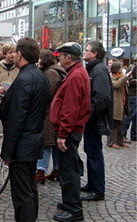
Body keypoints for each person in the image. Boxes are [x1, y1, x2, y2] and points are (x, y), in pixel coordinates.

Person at [0, 37, 50, 221]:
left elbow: (16, 119)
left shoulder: (24, 79)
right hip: (33, 140)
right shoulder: (40, 77)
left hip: (23, 143)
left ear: (19, 55)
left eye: (15, 53)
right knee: (29, 189)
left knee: (22, 194)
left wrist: (7, 152)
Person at [50, 42, 91, 221]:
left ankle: (74, 209)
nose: (58, 58)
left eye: (60, 55)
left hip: (69, 130)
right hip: (70, 129)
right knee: (68, 168)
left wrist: (63, 134)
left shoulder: (75, 76)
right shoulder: (76, 72)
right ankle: (69, 202)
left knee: (68, 171)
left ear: (68, 58)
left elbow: (71, 109)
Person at [81, 41, 113, 201]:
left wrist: (89, 114)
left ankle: (98, 189)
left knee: (94, 153)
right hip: (92, 118)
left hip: (94, 119)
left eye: (87, 50)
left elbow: (101, 98)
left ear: (94, 54)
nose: (84, 53)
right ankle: (92, 184)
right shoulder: (94, 68)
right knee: (91, 151)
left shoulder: (98, 70)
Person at [35, 49, 66, 184]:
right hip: (52, 111)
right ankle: (57, 169)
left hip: (50, 112)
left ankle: (41, 170)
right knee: (52, 143)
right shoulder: (53, 71)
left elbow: (48, 93)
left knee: (47, 143)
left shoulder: (52, 73)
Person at [0, 42, 19, 169]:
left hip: (15, 104)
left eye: (14, 52)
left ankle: (11, 155)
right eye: (11, 52)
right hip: (0, 102)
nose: (13, 55)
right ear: (5, 54)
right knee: (0, 132)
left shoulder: (18, 68)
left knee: (13, 130)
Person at [107, 61, 131, 148]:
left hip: (122, 103)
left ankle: (120, 141)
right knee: (114, 124)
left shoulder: (121, 77)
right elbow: (117, 85)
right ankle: (111, 142)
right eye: (120, 68)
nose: (121, 69)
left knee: (121, 124)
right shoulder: (111, 77)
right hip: (115, 104)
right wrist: (125, 77)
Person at [123, 56, 137, 142]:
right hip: (133, 94)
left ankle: (134, 135)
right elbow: (129, 81)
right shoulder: (132, 68)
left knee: (135, 117)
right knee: (130, 115)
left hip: (135, 94)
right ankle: (123, 134)